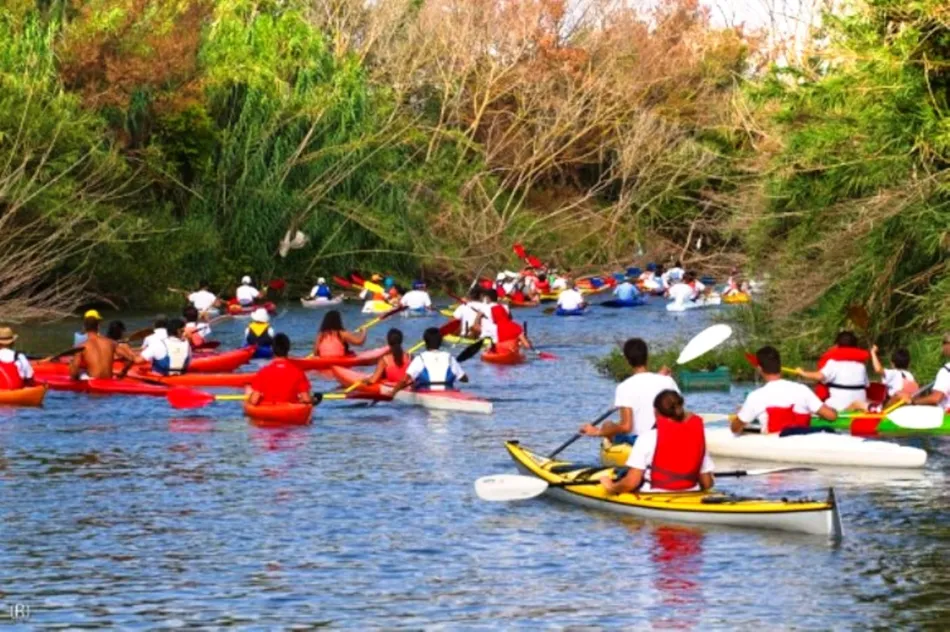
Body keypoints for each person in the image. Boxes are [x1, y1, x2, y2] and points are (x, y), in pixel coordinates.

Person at [600, 390, 715, 494]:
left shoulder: (647, 438)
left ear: (655, 411)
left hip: (654, 494)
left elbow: (631, 483)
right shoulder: (697, 436)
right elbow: (707, 483)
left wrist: (611, 487)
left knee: (624, 475)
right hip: (691, 493)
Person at [580, 338, 678, 445]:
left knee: (607, 425)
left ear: (627, 361)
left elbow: (626, 426)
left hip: (639, 441)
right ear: (647, 357)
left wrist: (597, 432)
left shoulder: (624, 387)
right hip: (668, 437)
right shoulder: (667, 380)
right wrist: (660, 377)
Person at [730, 346, 837, 434]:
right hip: (804, 441)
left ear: (760, 369)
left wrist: (740, 415)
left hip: (774, 445)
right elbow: (831, 416)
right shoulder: (802, 389)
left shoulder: (755, 396)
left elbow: (735, 429)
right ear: (780, 366)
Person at [796, 331, 869, 411]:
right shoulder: (861, 366)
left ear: (837, 345)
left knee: (813, 405)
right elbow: (867, 385)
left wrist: (802, 373)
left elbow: (819, 376)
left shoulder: (833, 363)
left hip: (839, 406)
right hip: (860, 403)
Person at [392, 327, 468, 393]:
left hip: (426, 392)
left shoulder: (420, 358)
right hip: (448, 392)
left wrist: (392, 393)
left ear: (425, 343)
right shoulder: (449, 357)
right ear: (440, 342)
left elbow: (404, 381)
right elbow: (464, 379)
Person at [247, 334, 313, 405]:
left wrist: (249, 396)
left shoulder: (264, 371)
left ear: (272, 349)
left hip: (269, 411)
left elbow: (254, 400)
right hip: (290, 411)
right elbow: (306, 399)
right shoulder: (298, 372)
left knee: (248, 390)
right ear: (288, 349)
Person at [69, 316, 136, 379]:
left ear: (84, 328)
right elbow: (130, 358)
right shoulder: (111, 343)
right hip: (109, 380)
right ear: (98, 327)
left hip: (93, 382)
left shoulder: (81, 346)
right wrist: (123, 372)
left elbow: (74, 374)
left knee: (78, 370)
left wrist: (72, 365)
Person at [866, 345, 917, 410]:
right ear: (908, 364)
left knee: (868, 401)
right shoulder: (910, 375)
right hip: (906, 403)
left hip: (894, 404)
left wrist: (873, 353)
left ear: (892, 363)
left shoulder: (893, 373)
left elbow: (878, 369)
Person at [908, 334, 950, 410]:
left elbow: (935, 398)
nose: (942, 346)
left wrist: (913, 401)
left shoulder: (946, 371)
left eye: (944, 342)